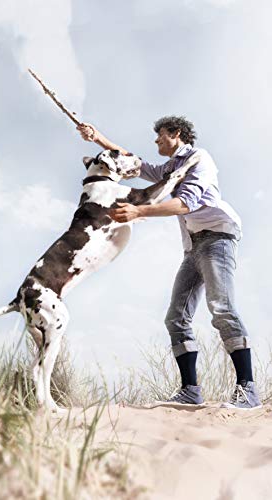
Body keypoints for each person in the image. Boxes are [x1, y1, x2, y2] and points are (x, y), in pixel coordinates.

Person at [77, 116, 261, 409]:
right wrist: (98, 138)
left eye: (160, 136)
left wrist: (139, 211)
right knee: (175, 317)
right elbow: (136, 164)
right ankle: (190, 390)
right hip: (193, 247)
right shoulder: (170, 167)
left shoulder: (199, 159)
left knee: (221, 308)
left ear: (176, 133)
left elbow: (187, 202)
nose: (156, 142)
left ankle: (248, 389)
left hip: (217, 239)